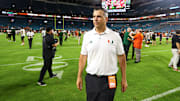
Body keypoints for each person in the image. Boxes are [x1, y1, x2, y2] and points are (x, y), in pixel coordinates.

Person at [76, 8, 128, 101]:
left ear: (106, 19)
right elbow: (83, 57)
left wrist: (124, 79)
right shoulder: (87, 36)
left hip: (110, 79)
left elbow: (121, 58)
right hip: (92, 78)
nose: (95, 19)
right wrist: (79, 76)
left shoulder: (115, 36)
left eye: (99, 16)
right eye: (94, 16)